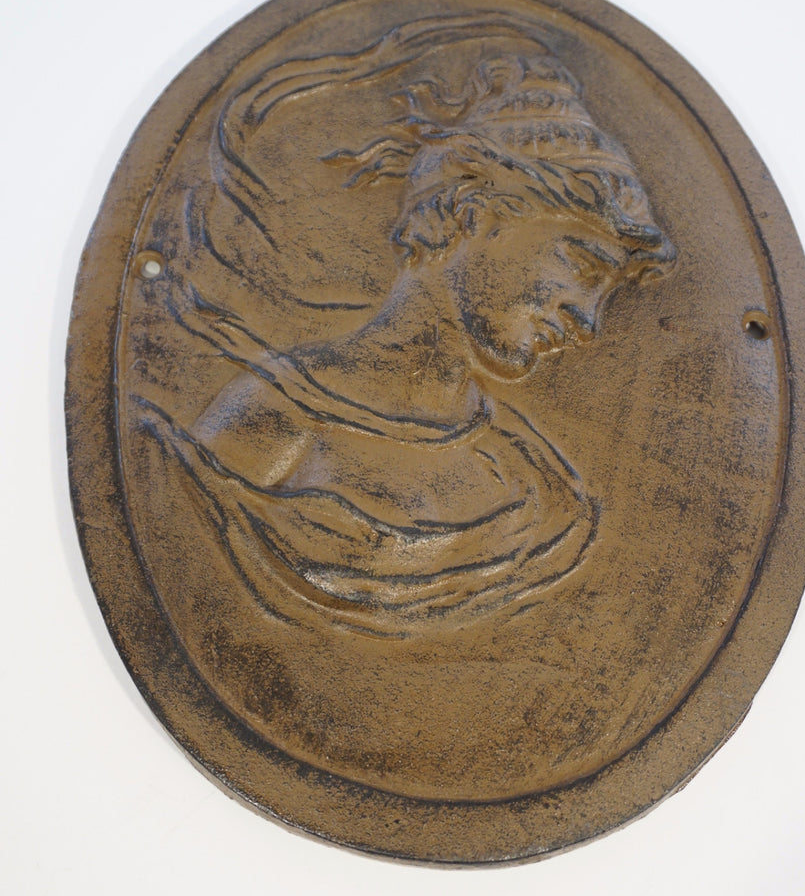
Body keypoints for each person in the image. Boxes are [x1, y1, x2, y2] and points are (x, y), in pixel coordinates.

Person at [142, 51, 675, 638]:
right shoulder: (276, 415)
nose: (589, 320)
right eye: (581, 265)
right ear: (472, 212)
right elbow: (181, 581)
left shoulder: (535, 481)